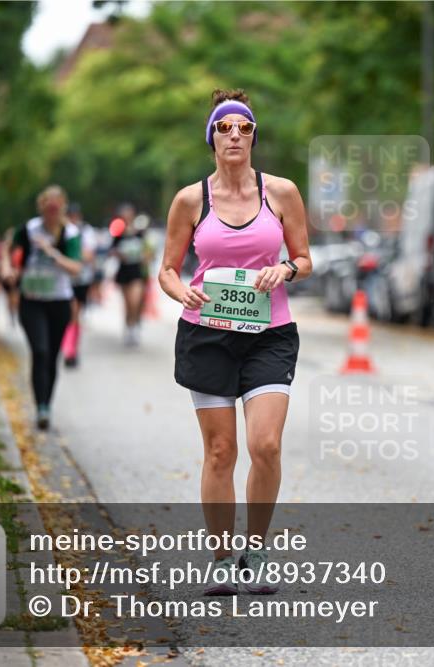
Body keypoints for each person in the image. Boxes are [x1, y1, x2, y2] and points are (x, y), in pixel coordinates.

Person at [159, 88, 312, 595]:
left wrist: (285, 269)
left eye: (244, 128)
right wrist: (185, 291)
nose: (235, 135)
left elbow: (305, 259)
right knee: (221, 452)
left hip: (269, 334)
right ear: (212, 138)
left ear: (253, 138)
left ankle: (257, 554)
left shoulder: (282, 193)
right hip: (208, 334)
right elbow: (167, 271)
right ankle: (223, 560)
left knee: (265, 445)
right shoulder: (190, 200)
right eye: (225, 127)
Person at [1, 186, 82, 430]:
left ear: (62, 209)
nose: (51, 214)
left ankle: (47, 402)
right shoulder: (28, 229)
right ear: (42, 208)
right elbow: (9, 250)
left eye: (56, 210)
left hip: (59, 302)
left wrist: (52, 252)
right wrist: (7, 268)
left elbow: (75, 268)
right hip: (31, 301)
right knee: (40, 351)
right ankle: (41, 408)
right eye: (48, 209)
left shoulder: (70, 233)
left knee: (52, 356)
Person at [62, 203, 97, 367]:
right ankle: (69, 349)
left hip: (81, 279)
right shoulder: (61, 231)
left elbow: (89, 255)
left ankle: (71, 349)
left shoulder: (86, 231)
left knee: (75, 314)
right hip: (64, 280)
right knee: (70, 314)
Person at [111, 203, 150, 346]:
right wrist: (120, 254)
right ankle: (129, 327)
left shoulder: (140, 232)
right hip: (124, 271)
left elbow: (148, 250)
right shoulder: (118, 233)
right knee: (127, 303)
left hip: (137, 272)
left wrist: (145, 256)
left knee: (135, 301)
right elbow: (112, 250)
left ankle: (134, 326)